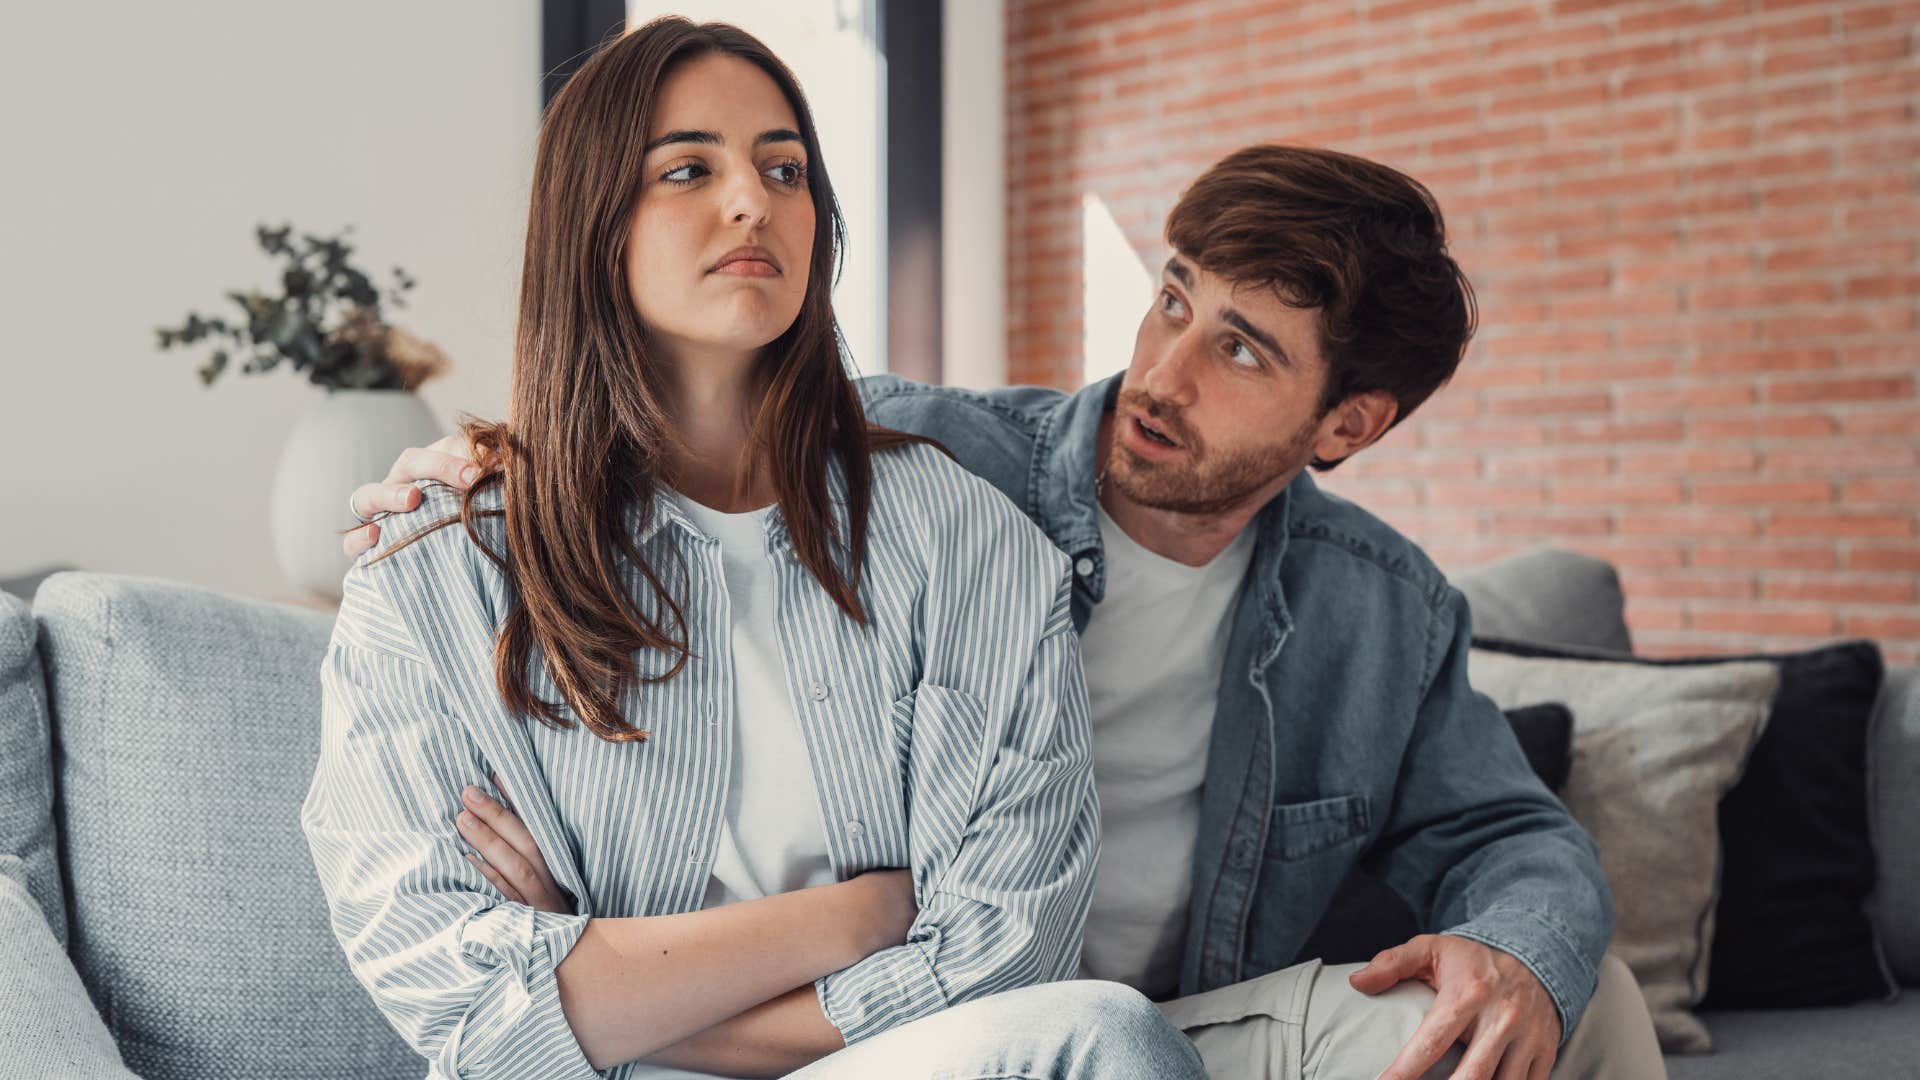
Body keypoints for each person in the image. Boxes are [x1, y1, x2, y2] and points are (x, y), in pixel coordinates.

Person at [346, 143, 1668, 1077]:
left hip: (1182, 1025)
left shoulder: (1380, 612)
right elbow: (657, 455)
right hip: (916, 1023)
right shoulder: (920, 461)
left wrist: (1518, 959)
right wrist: (476, 467)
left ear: (1350, 423)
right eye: (1172, 300)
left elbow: (1510, 835)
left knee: (1580, 1001)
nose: (1160, 370)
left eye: (1240, 350)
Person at [302, 17, 1209, 1080]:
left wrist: (610, 981)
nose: (755, 201)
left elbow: (1010, 958)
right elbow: (453, 997)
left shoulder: (971, 542)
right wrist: (861, 914)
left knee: (1105, 1037)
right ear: (591, 223)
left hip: (878, 1068)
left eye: (785, 168)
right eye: (688, 168)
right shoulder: (441, 564)